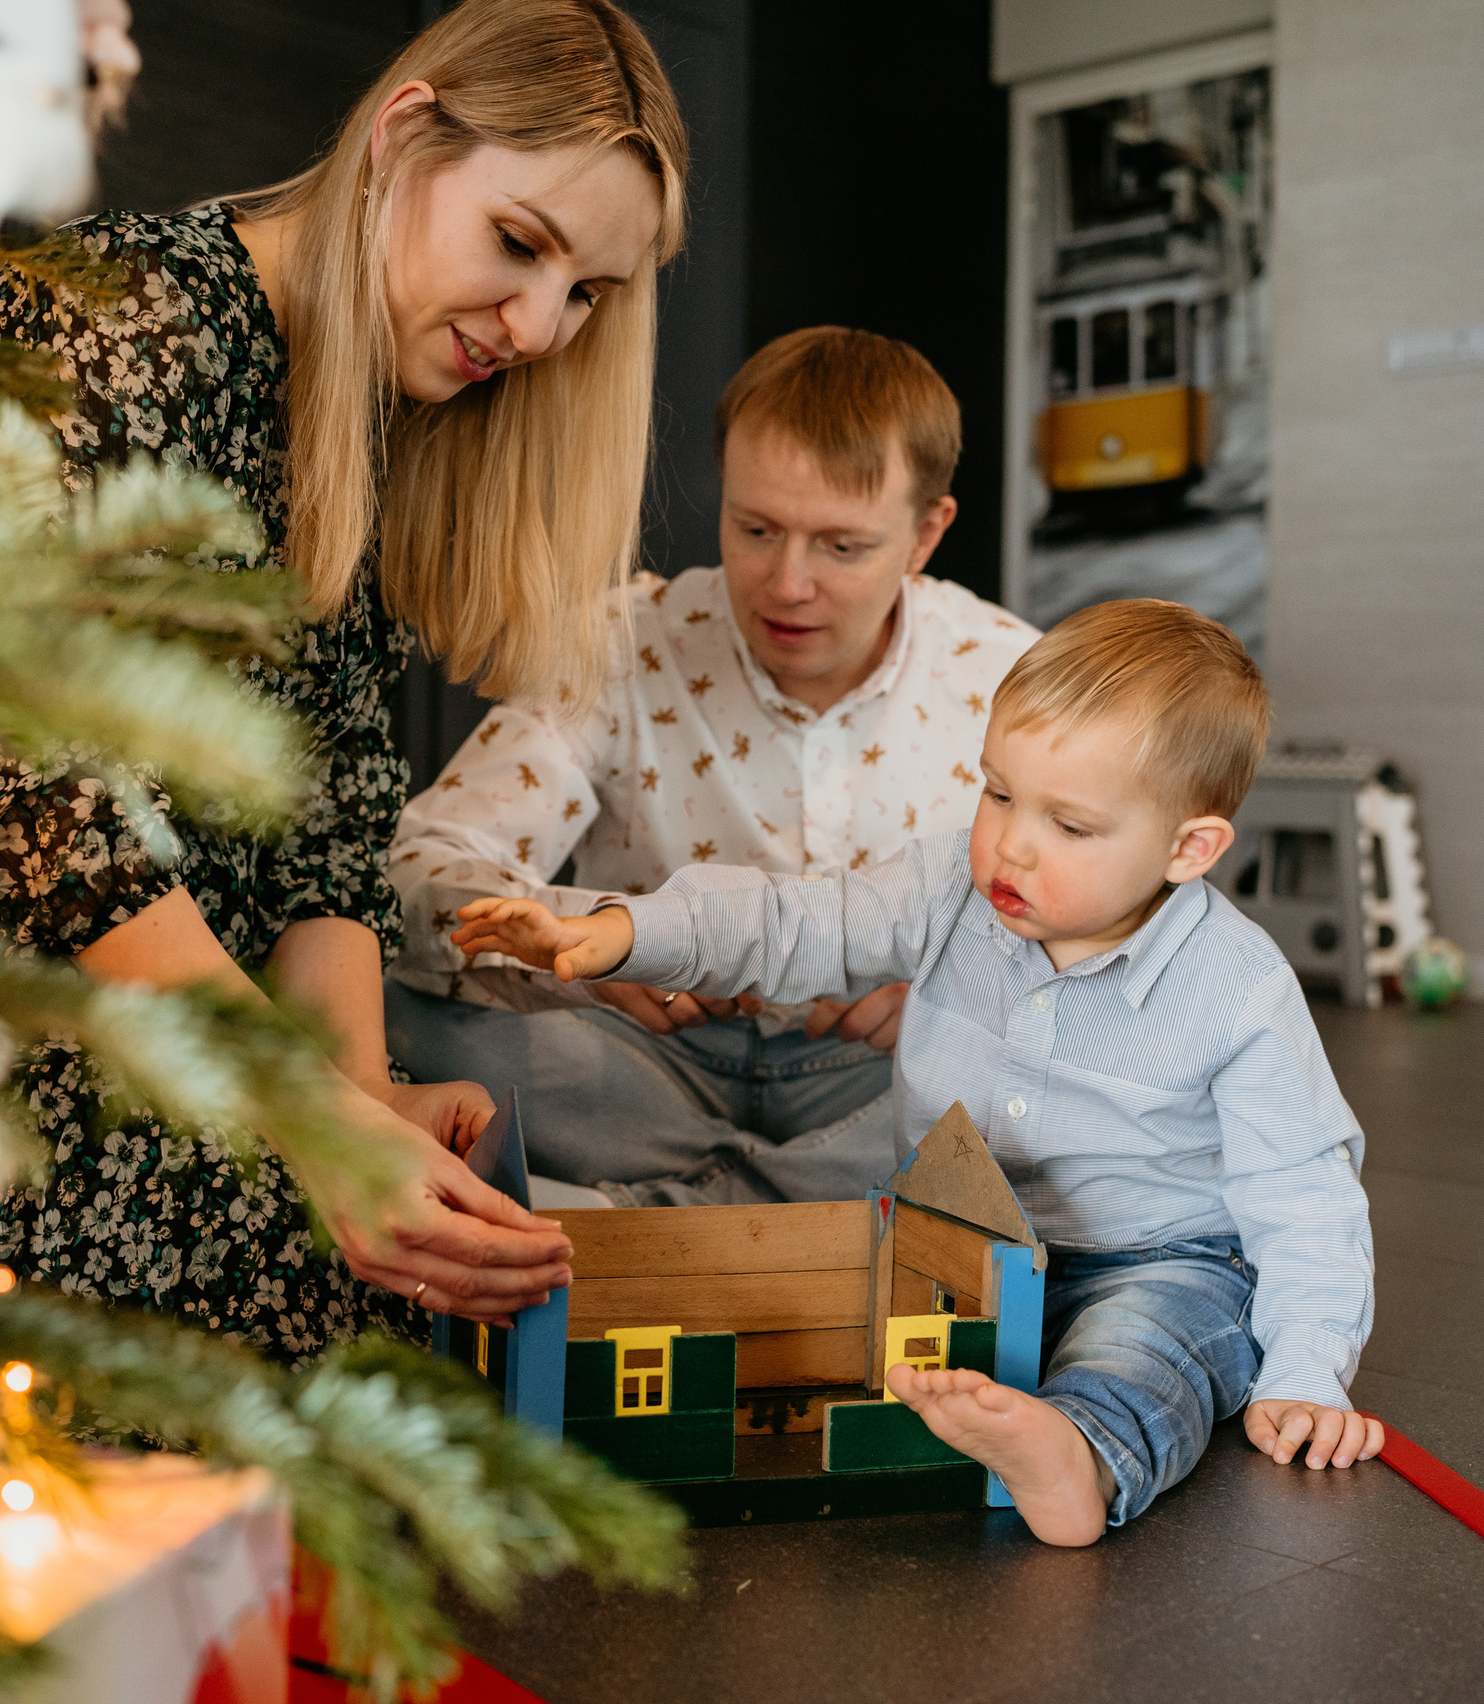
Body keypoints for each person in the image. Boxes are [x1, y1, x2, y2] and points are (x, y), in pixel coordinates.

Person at [0, 0, 690, 1360]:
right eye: (520, 246)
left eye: (588, 295)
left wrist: (366, 1095)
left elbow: (325, 826)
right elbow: (45, 809)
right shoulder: (127, 330)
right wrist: (320, 1129)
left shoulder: (355, 413)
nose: (537, 325)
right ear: (406, 136)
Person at [452, 599, 1380, 1546]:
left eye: (1069, 825)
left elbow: (1304, 1192)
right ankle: (976, 1408)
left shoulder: (1239, 987)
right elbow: (794, 921)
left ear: (1189, 848)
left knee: (1152, 1348)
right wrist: (623, 934)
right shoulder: (950, 887)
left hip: (1156, 1260)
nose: (1011, 844)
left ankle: (1080, 1451)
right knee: (834, 1312)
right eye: (999, 793)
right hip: (953, 1239)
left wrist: (1307, 1370)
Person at [385, 328, 1036, 1205]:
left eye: (841, 546)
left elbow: (1121, 935)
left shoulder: (1013, 676)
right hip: (642, 1064)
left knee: (1034, 1089)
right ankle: (806, 1209)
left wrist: (962, 988)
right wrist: (602, 946)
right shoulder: (622, 641)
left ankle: (685, 1209)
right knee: (386, 1004)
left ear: (927, 533)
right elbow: (420, 874)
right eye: (756, 528)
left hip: (880, 1074)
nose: (787, 583)